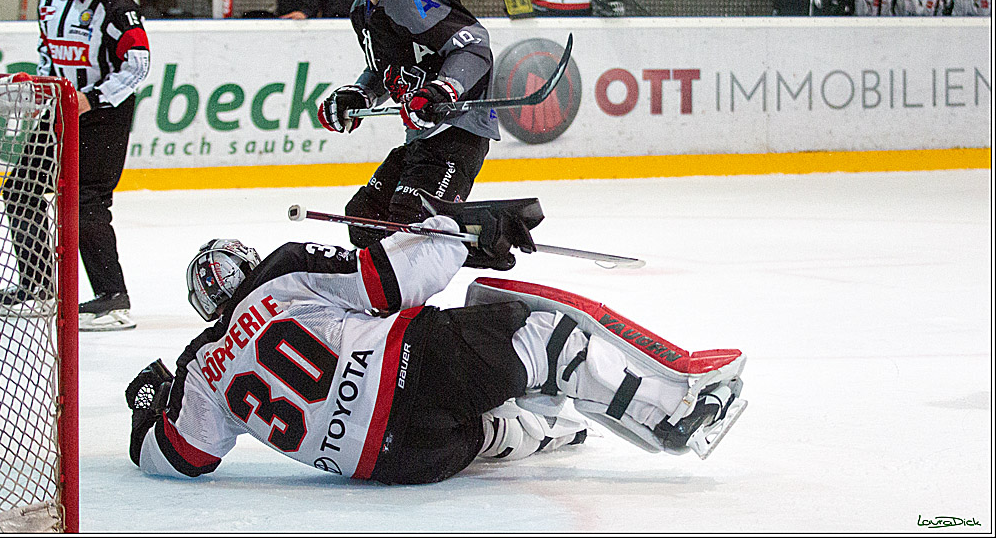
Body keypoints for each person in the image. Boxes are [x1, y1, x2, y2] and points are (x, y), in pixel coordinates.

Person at [125, 195, 748, 484]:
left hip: (402, 464)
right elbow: (401, 276)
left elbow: (182, 458)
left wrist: (148, 412)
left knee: (484, 418)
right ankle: (677, 413)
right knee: (543, 337)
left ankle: (553, 431)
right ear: (250, 265)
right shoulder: (281, 276)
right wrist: (469, 229)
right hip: (418, 371)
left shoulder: (202, 369)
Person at [0, 0, 149, 331]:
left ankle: (113, 298)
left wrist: (89, 98)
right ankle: (40, 286)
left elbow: (138, 64)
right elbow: (48, 56)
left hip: (104, 117)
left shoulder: (117, 7)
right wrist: (41, 92)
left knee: (86, 199)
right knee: (20, 189)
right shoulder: (49, 2)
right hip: (60, 113)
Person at [317, 0, 501, 251]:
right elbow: (383, 73)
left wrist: (443, 89)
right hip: (421, 137)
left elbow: (474, 44)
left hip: (458, 132)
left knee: (410, 224)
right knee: (363, 218)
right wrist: (358, 96)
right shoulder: (362, 11)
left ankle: (486, 238)